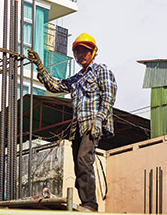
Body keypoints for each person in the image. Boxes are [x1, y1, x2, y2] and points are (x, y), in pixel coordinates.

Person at [27, 33, 117, 212]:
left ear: (93, 52)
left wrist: (100, 119)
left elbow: (109, 95)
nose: (81, 55)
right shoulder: (76, 79)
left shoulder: (102, 70)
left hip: (92, 124)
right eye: (78, 52)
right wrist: (39, 66)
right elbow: (54, 85)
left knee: (84, 160)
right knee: (78, 163)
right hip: (78, 127)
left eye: (85, 51)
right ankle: (86, 202)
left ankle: (90, 204)